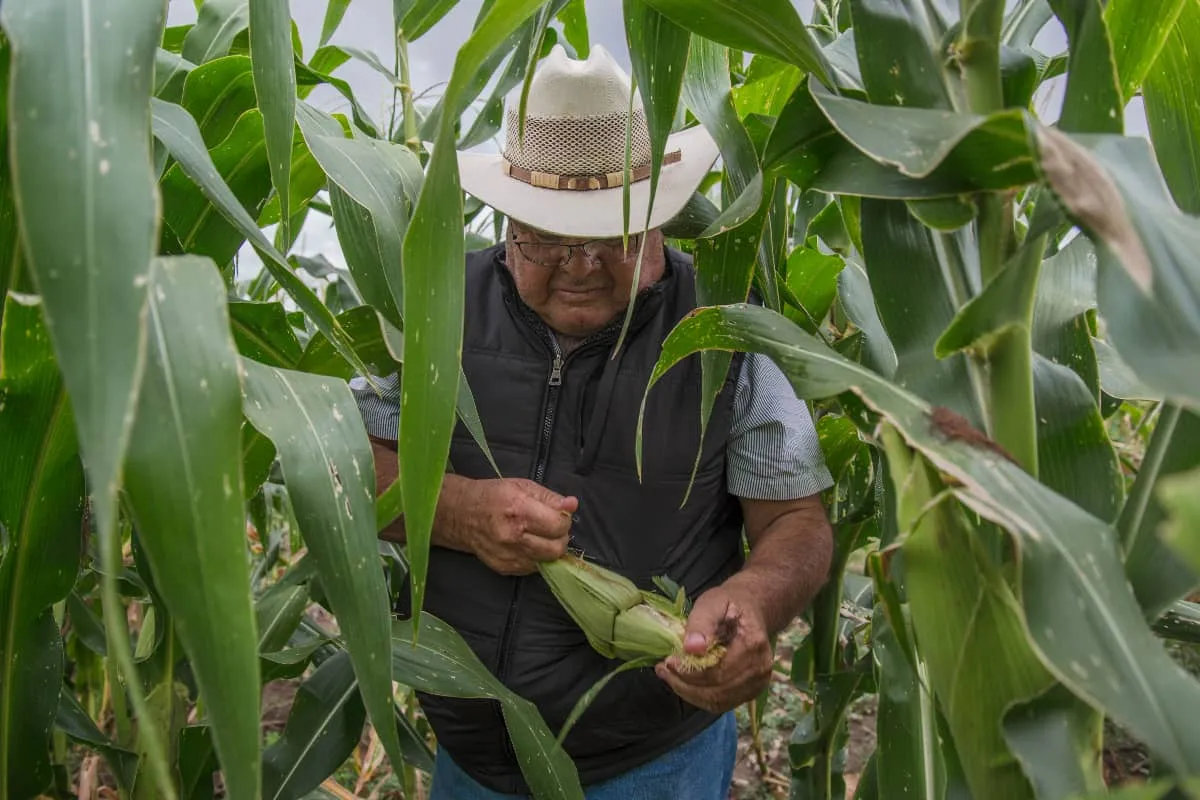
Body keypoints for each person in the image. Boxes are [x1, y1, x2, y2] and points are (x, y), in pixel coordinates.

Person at [351, 44, 834, 800]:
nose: (579, 265)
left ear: (661, 219)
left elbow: (797, 522)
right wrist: (461, 512)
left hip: (653, 764)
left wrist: (756, 600)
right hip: (472, 762)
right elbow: (348, 467)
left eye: (613, 238)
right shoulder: (432, 305)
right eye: (544, 239)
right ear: (505, 217)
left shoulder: (725, 335)